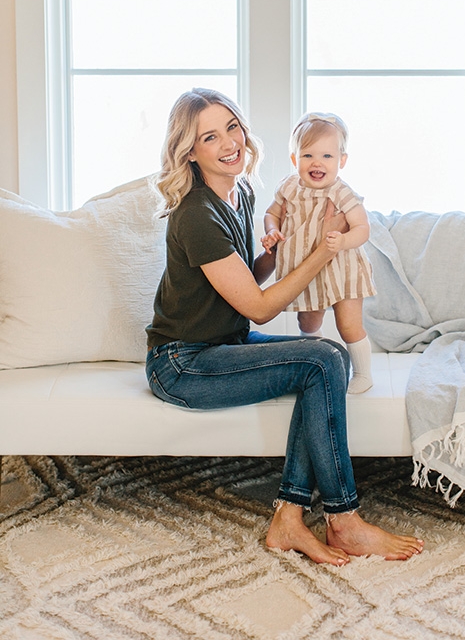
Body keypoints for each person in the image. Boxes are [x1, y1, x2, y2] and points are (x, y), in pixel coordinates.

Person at [146, 88, 423, 566]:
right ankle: (345, 521)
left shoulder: (242, 192)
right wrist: (322, 247)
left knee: (326, 359)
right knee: (321, 357)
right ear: (190, 152)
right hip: (183, 364)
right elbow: (258, 307)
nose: (230, 142)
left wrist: (274, 251)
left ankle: (289, 520)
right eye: (210, 137)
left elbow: (243, 282)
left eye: (231, 126)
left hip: (222, 346)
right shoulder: (196, 215)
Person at [262, 113, 375, 393]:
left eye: (326, 156)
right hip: (306, 270)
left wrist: (344, 240)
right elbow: (271, 213)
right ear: (294, 159)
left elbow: (363, 227)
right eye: (308, 155)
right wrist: (272, 230)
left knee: (348, 325)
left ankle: (363, 373)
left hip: (342, 269)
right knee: (307, 319)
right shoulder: (288, 187)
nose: (317, 163)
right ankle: (314, 363)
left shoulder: (341, 192)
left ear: (341, 161)